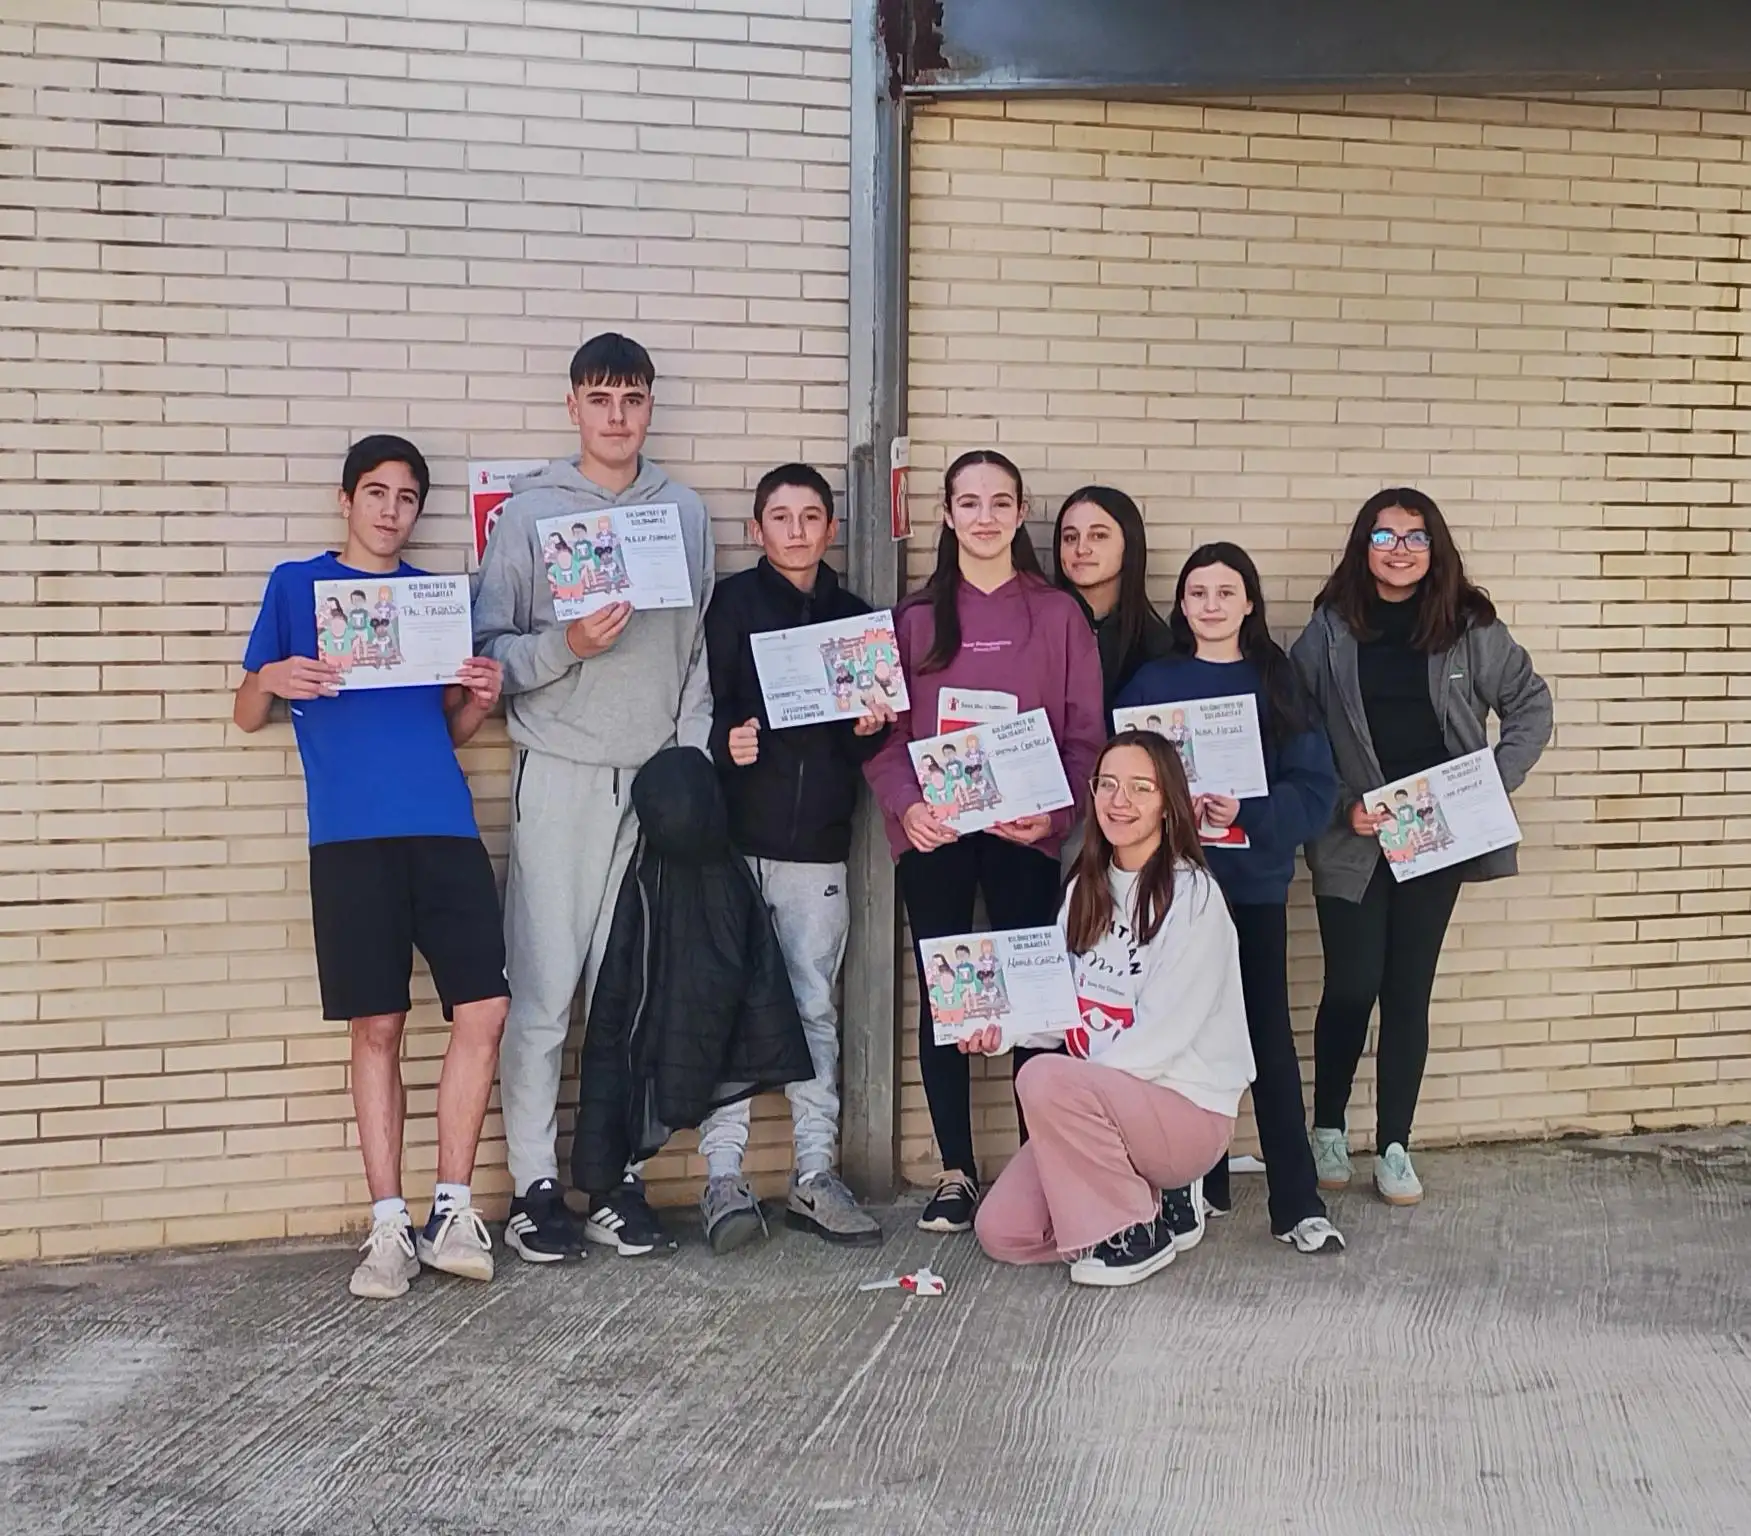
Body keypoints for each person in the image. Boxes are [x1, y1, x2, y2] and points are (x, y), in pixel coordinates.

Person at [233, 435, 509, 1300]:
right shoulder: (296, 586)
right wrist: (273, 675)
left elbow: (447, 728)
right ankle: (388, 1223)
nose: (392, 511)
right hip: (350, 839)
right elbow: (246, 713)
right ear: (346, 499)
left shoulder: (434, 600)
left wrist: (480, 701)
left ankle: (451, 1211)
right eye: (378, 493)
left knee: (486, 1008)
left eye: (407, 497)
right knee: (378, 1025)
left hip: (444, 828)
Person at [472, 332, 716, 1263]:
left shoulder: (682, 512)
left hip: (653, 783)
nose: (617, 417)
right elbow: (488, 653)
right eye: (600, 399)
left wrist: (688, 763)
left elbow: (696, 651)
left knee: (632, 992)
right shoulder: (531, 514)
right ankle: (535, 1186)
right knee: (544, 990)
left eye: (633, 399)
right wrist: (565, 647)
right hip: (562, 772)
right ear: (572, 406)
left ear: (650, 408)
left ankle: (616, 1178)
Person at [863, 450, 1106, 1234]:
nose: (984, 517)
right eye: (967, 503)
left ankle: (1041, 1170)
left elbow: (1085, 736)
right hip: (935, 838)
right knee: (949, 999)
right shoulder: (913, 619)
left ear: (1020, 512)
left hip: (1022, 834)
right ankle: (955, 1172)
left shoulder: (1057, 614)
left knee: (1032, 1003)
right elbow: (884, 738)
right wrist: (906, 807)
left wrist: (1055, 814)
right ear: (945, 515)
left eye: (1000, 502)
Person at [1292, 488, 1552, 1205]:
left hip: (1436, 834)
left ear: (1434, 548)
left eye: (1414, 537)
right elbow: (1296, 729)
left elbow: (1530, 704)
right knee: (1351, 984)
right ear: (1363, 545)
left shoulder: (1469, 627)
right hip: (1353, 835)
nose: (1399, 550)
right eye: (1384, 536)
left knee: (1407, 989)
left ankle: (1394, 1145)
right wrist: (1339, 805)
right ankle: (1327, 1128)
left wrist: (1487, 786)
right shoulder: (1328, 630)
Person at [1116, 543, 1344, 1254]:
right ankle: (1191, 1184)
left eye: (1225, 592)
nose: (1210, 605)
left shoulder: (1278, 681)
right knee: (1173, 1037)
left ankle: (1296, 1201)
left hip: (1251, 888)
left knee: (1265, 1037)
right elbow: (1119, 786)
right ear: (1181, 605)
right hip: (1169, 892)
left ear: (1249, 603)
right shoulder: (1152, 684)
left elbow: (1315, 790)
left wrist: (1246, 812)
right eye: (1197, 593)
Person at [967, 732, 1255, 1287]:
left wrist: (1072, 1094)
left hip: (1186, 1110)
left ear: (1168, 804)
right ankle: (1145, 1199)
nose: (1120, 801)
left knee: (1043, 1077)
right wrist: (1000, 1033)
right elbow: (1057, 1008)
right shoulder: (1085, 888)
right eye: (1108, 785)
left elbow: (1166, 1035)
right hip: (1101, 1104)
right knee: (1004, 1231)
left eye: (1141, 788)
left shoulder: (1194, 897)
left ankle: (1135, 1234)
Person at [695, 462, 893, 1253]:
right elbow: (704, 706)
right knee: (729, 1004)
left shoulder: (856, 619)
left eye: (811, 516)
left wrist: (872, 727)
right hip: (737, 844)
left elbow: (860, 737)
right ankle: (722, 1176)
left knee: (813, 1008)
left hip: (817, 849)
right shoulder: (732, 604)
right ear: (757, 529)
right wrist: (727, 742)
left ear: (830, 529)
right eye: (781, 517)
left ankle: (814, 1172)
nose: (797, 530)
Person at [569, 750, 817, 1223]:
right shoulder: (728, 877)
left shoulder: (649, 876)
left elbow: (611, 1020)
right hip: (706, 1052)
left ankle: (635, 1179)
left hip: (668, 1063)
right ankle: (734, 1177)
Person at [1052, 486, 1173, 716]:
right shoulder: (1037, 629)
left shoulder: (1158, 645)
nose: (1081, 549)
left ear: (1129, 543)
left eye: (1098, 536)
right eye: (1070, 538)